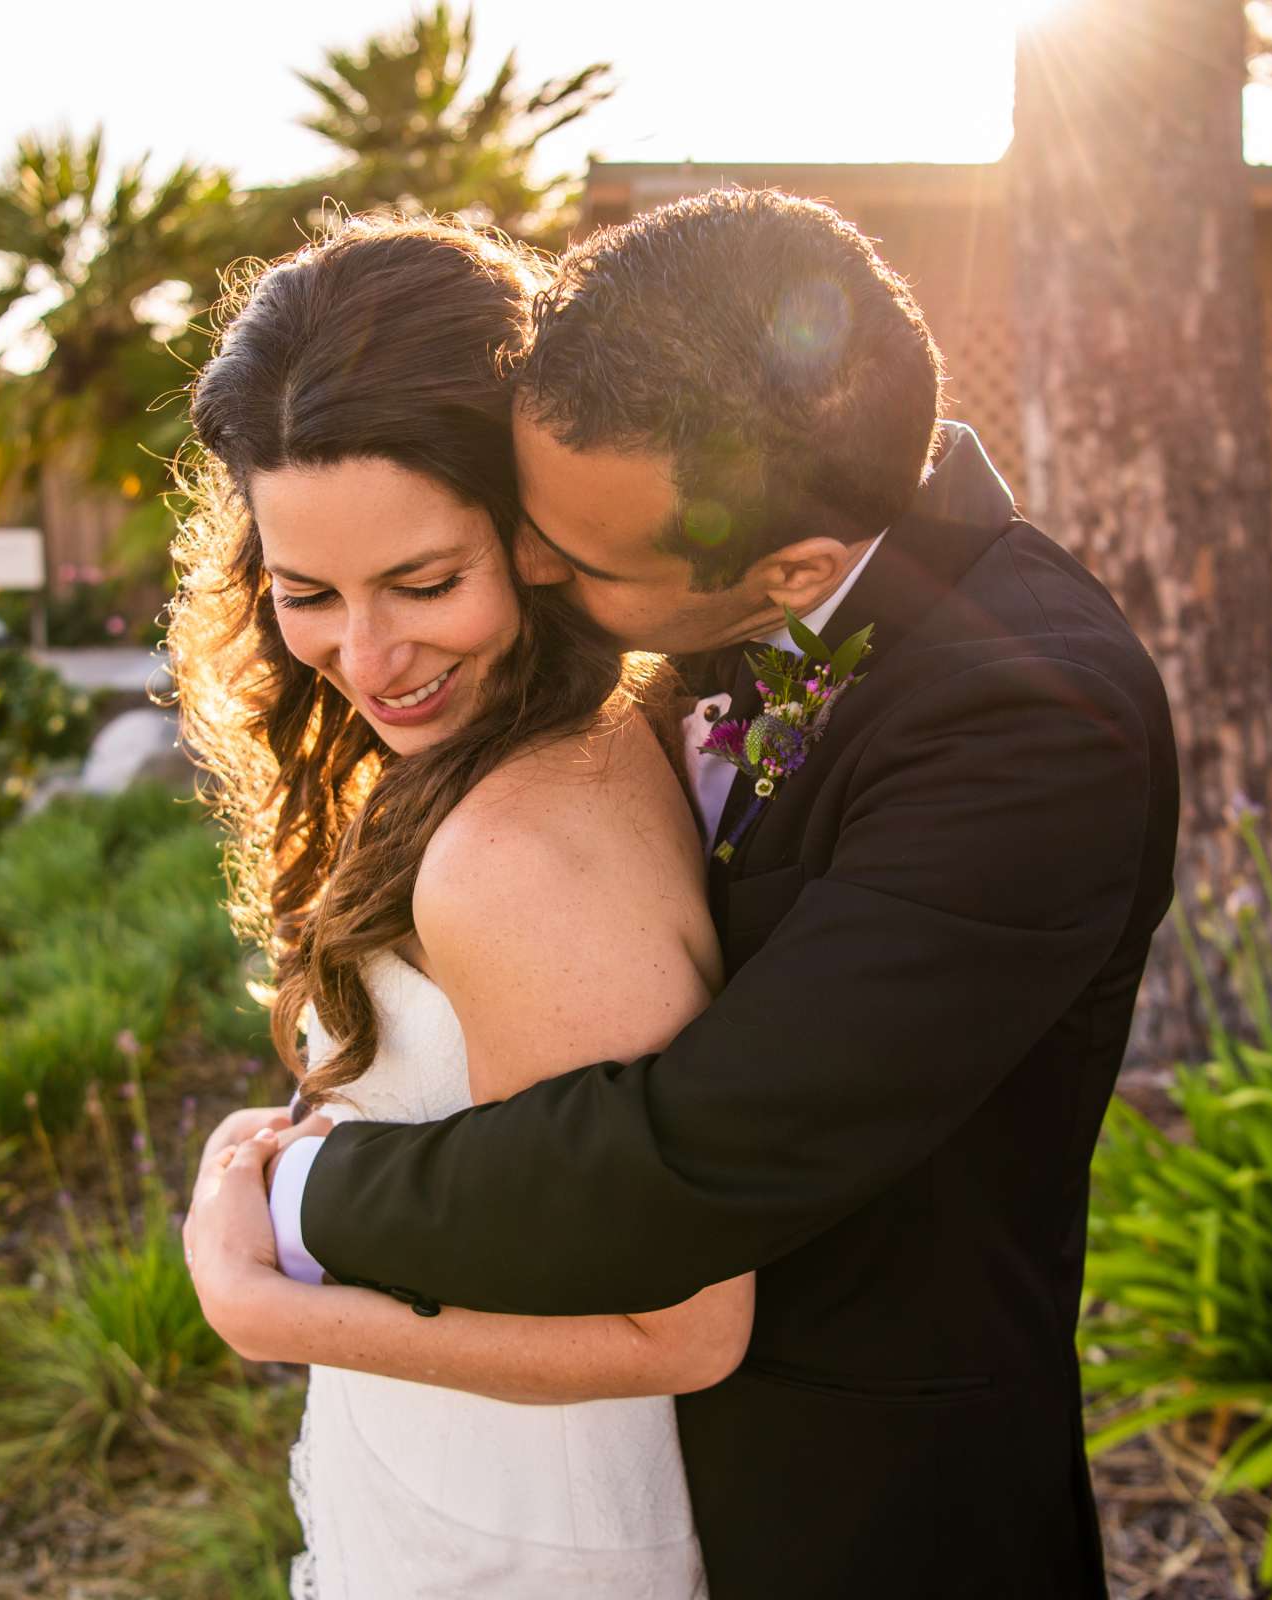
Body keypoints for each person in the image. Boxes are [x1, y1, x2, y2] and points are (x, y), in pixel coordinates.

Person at [188, 187, 1183, 1598]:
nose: (538, 568)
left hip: (864, 1500)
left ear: (791, 574)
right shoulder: (698, 577)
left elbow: (698, 1150)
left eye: (563, 561)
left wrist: (296, 1218)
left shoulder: (1026, 722)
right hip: (575, 1448)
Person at [168, 211, 749, 1598]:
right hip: (458, 1473)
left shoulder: (518, 854)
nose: (367, 659)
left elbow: (677, 1330)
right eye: (306, 592)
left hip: (523, 1529)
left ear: (538, 529)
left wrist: (266, 1308)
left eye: (424, 582)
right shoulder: (524, 736)